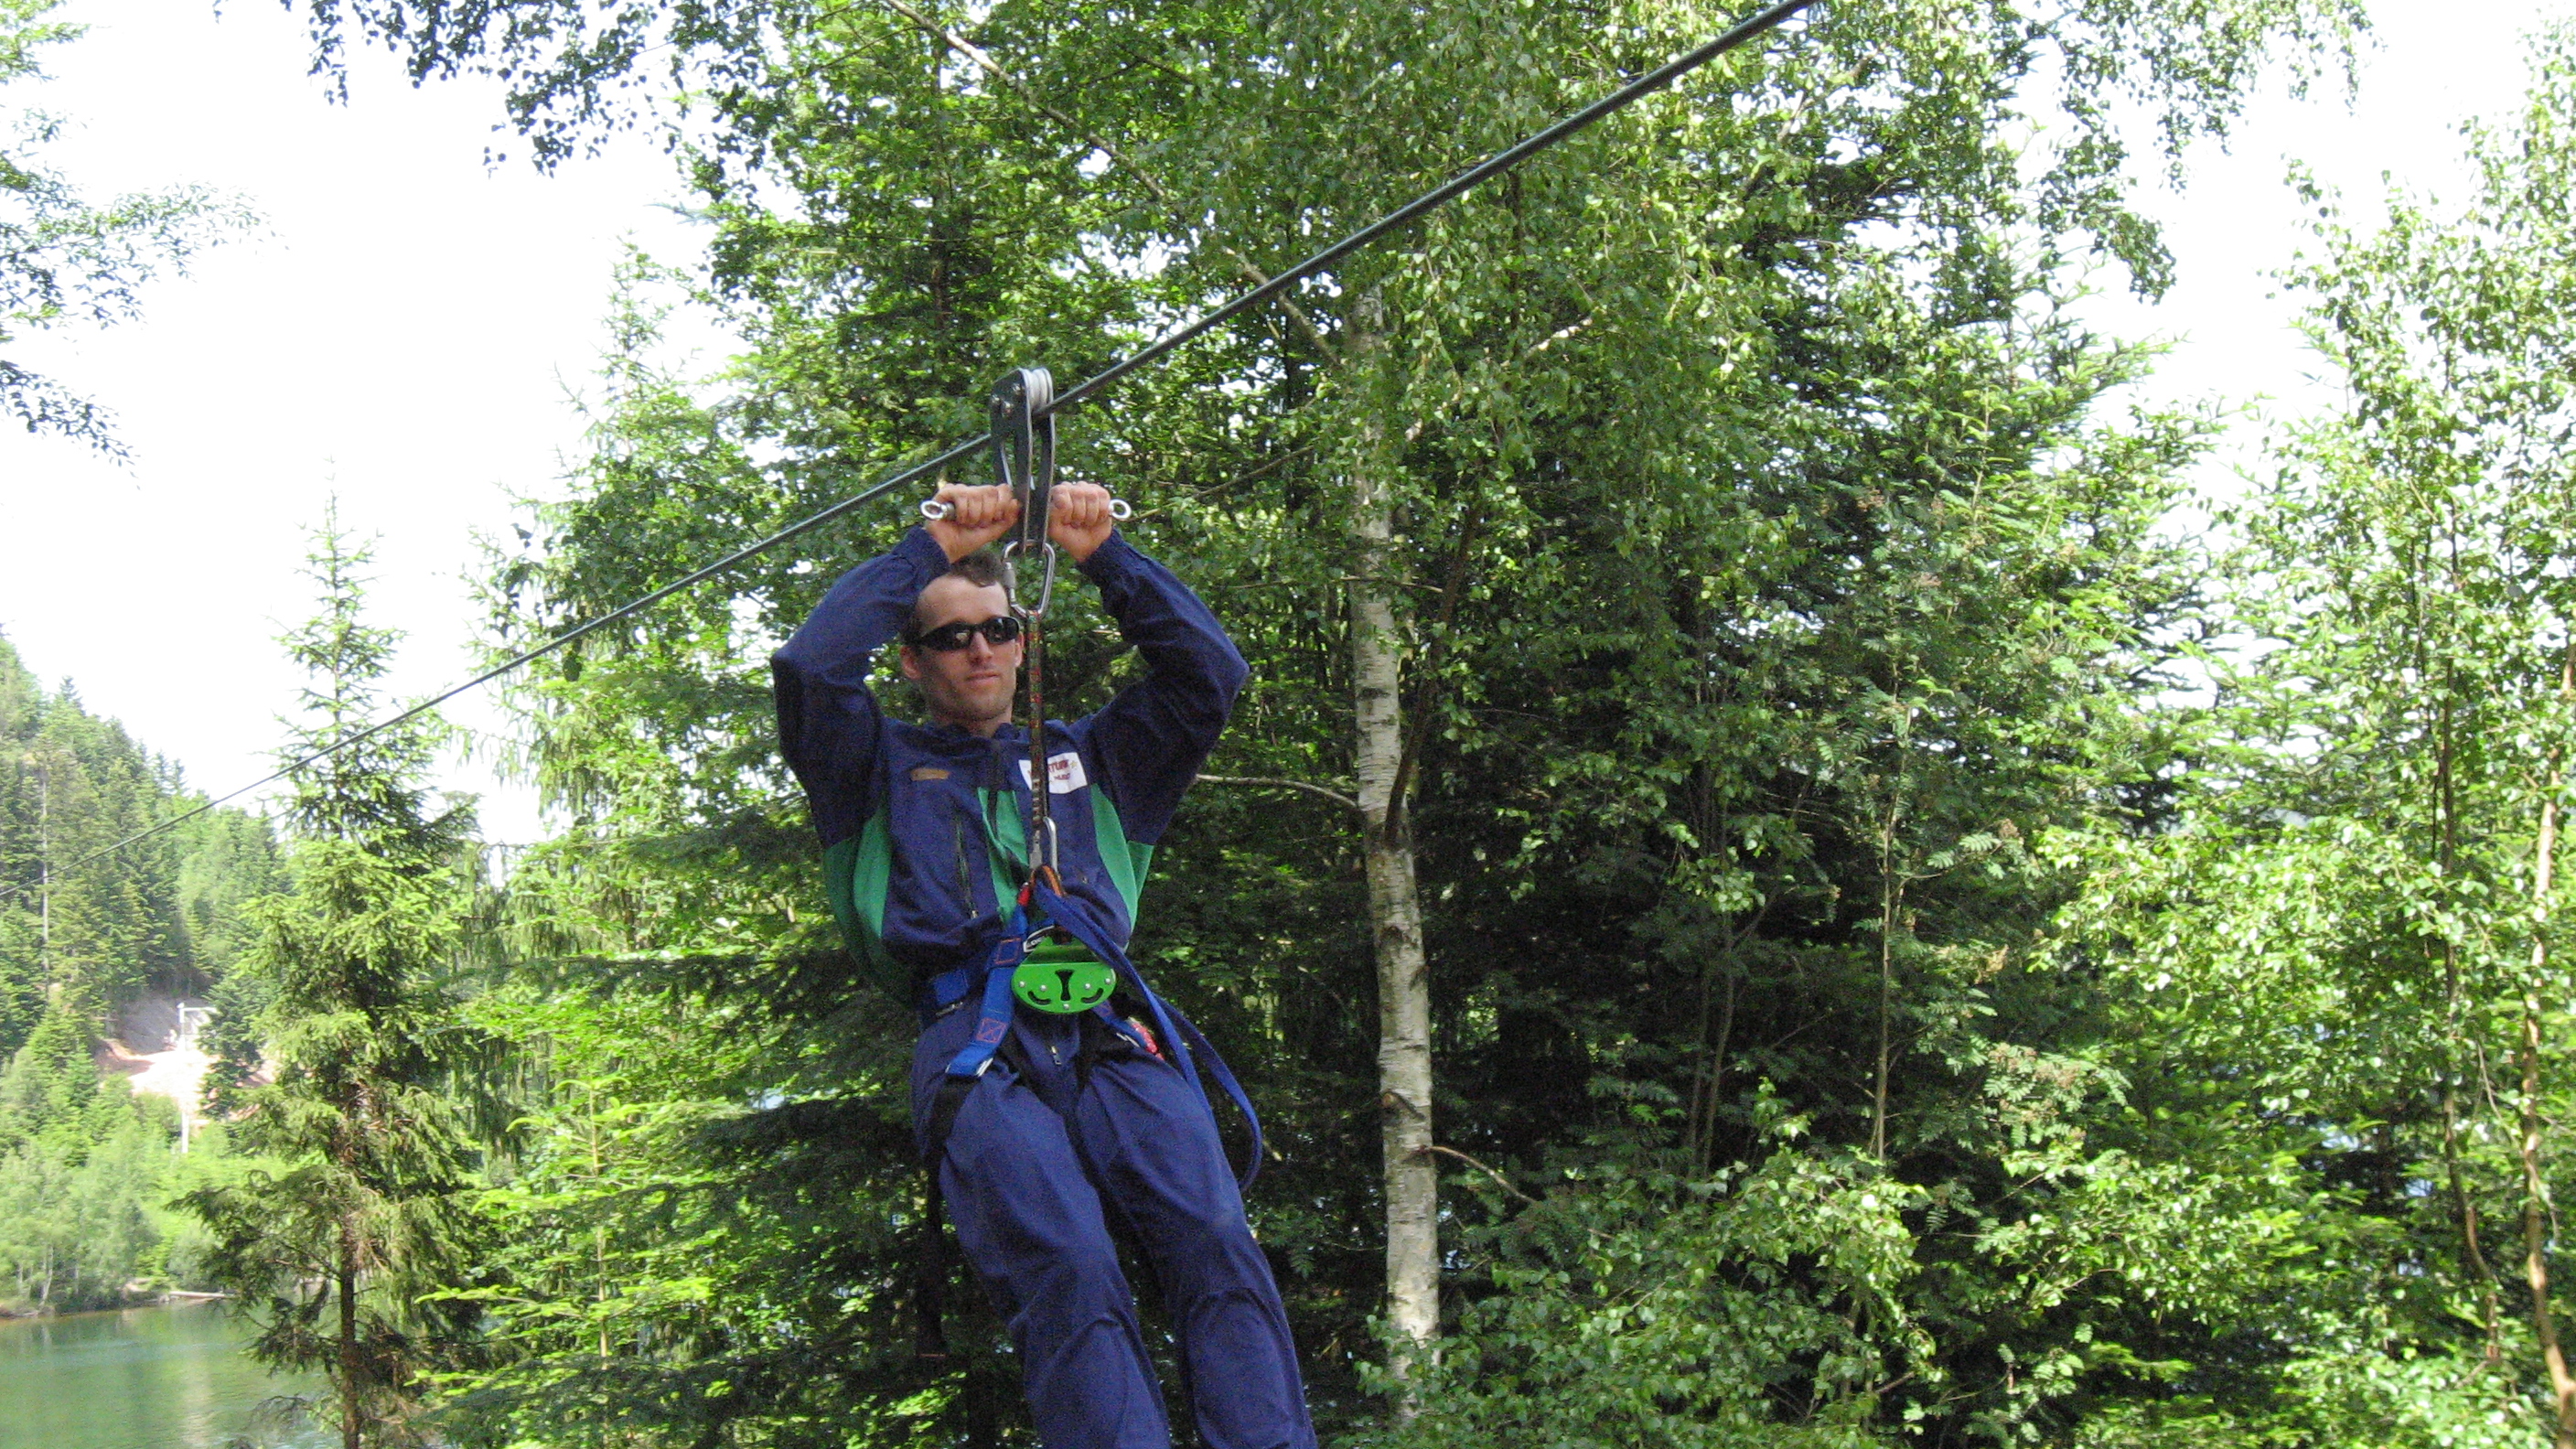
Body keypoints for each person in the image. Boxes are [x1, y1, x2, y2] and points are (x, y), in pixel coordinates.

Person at [771, 480, 1317, 1449]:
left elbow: (1209, 672)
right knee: (1068, 1265)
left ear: (1023, 640)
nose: (979, 650)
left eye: (997, 629)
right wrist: (935, 545)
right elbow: (811, 668)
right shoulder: (868, 770)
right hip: (973, 1045)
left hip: (1109, 1033)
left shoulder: (1102, 760)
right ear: (911, 661)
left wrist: (1101, 552)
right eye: (950, 637)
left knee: (1212, 1239)